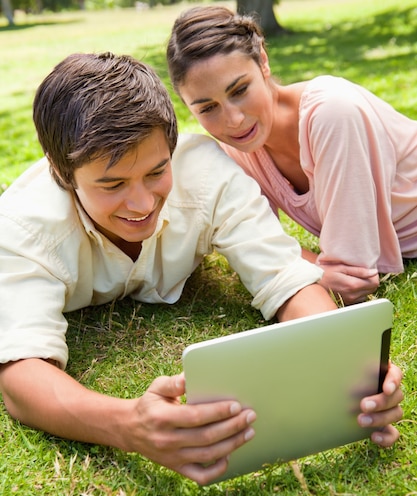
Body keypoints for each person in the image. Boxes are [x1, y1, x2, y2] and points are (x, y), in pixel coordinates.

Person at [0, 53, 403, 487]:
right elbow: (21, 377)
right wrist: (128, 423)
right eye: (112, 184)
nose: (141, 204)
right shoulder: (23, 227)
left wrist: (345, 364)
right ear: (61, 171)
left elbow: (285, 278)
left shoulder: (207, 174)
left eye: (157, 172)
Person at [166, 6, 417, 305]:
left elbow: (352, 276)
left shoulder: (333, 113)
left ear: (263, 62)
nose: (232, 120)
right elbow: (258, 245)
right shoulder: (237, 150)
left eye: (240, 90)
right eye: (207, 108)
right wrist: (317, 270)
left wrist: (306, 266)